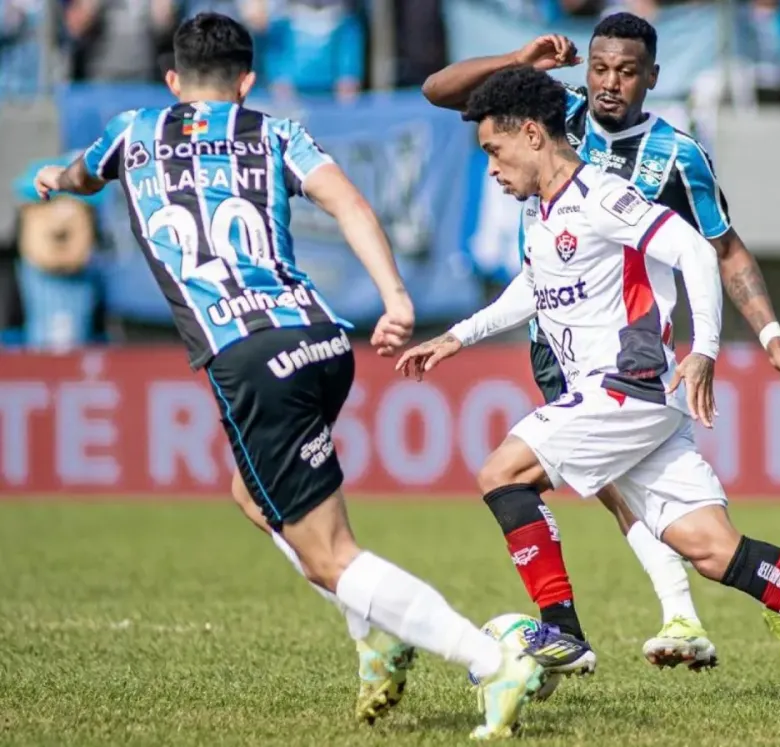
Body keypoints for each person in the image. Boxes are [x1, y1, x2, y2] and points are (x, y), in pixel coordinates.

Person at [32, 12, 576, 740]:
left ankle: (486, 658)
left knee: (330, 554)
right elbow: (348, 201)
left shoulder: (133, 132)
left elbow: (75, 173)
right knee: (251, 494)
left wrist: (48, 176)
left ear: (171, 81)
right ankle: (377, 633)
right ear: (247, 81)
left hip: (251, 357)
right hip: (322, 339)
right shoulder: (275, 131)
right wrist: (395, 297)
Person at [398, 64, 780, 701]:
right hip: (637, 403)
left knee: (501, 472)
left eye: (494, 151)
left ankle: (561, 631)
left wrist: (703, 351)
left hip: (624, 385)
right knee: (715, 550)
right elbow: (535, 286)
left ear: (531, 135)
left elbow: (697, 251)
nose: (493, 170)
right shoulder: (543, 210)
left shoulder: (601, 197)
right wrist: (457, 337)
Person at [421, 11, 780, 681]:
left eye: (627, 72)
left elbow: (720, 247)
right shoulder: (552, 117)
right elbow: (440, 90)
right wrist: (517, 58)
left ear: (652, 78)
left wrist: (770, 336)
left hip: (626, 347)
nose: (609, 84)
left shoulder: (677, 155)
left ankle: (670, 615)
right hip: (552, 329)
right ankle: (728, 601)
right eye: (599, 69)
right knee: (617, 488)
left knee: (604, 481)